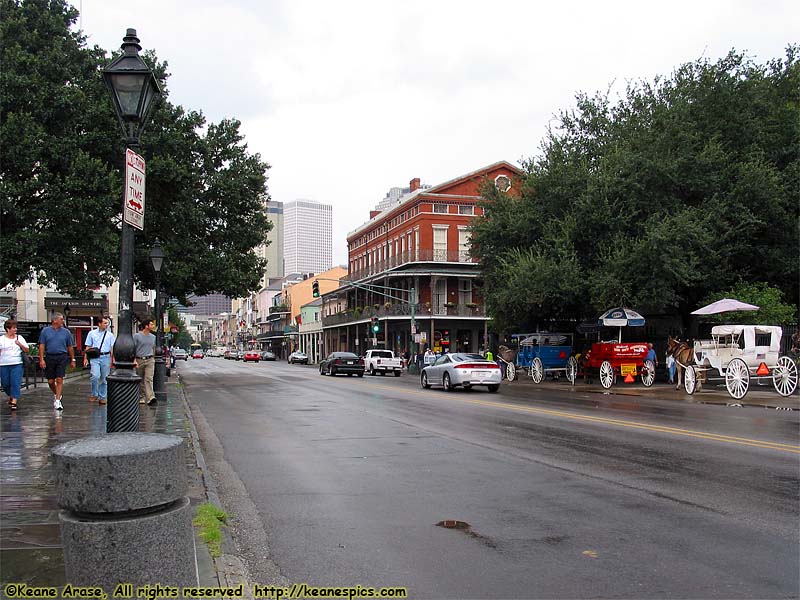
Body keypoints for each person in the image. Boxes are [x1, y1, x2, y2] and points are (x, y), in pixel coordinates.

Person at [38, 313, 76, 411]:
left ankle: (58, 400)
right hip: (50, 356)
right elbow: (42, 345)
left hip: (62, 356)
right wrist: (41, 359)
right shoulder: (45, 331)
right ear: (55, 320)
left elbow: (70, 347)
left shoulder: (66, 332)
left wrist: (72, 359)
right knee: (50, 381)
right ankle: (56, 393)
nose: (63, 321)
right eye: (61, 319)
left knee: (59, 379)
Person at [82, 317, 115, 405]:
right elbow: (88, 347)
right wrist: (85, 358)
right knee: (95, 376)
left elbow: (112, 348)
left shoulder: (110, 335)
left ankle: (103, 397)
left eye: (107, 323)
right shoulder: (91, 333)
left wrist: (112, 359)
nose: (106, 325)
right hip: (95, 357)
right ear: (99, 324)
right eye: (104, 323)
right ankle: (94, 394)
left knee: (104, 378)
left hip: (106, 356)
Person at [1, 319, 29, 411]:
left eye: (16, 328)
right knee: (5, 384)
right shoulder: (1, 339)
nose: (15, 329)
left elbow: (26, 350)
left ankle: (14, 402)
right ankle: (12, 396)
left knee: (15, 383)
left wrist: (20, 344)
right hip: (4, 364)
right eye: (13, 328)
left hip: (17, 363)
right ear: (8, 329)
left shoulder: (19, 338)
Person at [133, 318, 157, 406]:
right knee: (140, 379)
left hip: (150, 359)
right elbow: (133, 348)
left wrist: (152, 357)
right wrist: (134, 360)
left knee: (149, 378)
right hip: (139, 359)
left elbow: (153, 348)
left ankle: (151, 397)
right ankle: (141, 397)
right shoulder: (137, 336)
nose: (153, 326)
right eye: (151, 324)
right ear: (146, 326)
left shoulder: (153, 337)